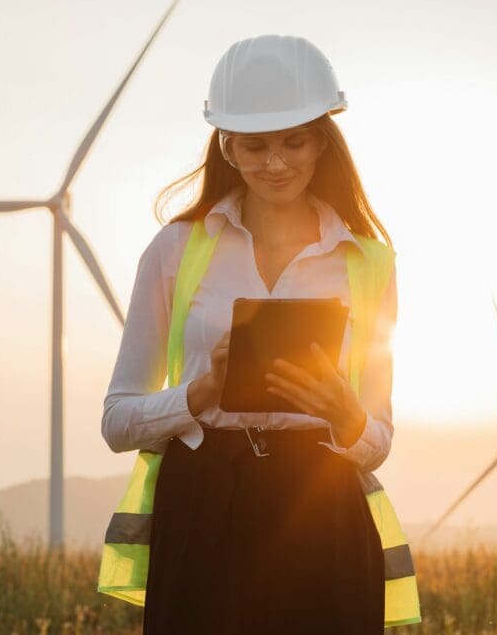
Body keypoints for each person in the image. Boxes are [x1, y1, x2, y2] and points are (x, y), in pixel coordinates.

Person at [98, 34, 420, 634]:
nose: (276, 163)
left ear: (322, 141)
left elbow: (377, 440)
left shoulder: (371, 263)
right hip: (202, 507)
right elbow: (117, 422)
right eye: (255, 146)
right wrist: (202, 391)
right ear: (226, 146)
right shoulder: (174, 250)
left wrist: (345, 414)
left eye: (294, 142)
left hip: (321, 512)